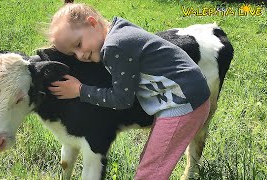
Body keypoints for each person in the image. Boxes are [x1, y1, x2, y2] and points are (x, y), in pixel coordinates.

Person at [47, 3, 210, 179]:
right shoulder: (119, 29)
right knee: (150, 163)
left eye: (78, 44)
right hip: (186, 94)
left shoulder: (114, 48)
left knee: (150, 171)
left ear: (92, 23)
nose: (80, 56)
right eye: (73, 54)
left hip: (184, 103)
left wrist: (80, 90)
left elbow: (122, 99)